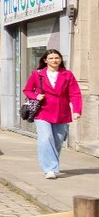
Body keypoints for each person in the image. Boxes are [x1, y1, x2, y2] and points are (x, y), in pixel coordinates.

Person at [23, 49, 83, 179]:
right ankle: (50, 169)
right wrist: (36, 95)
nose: (54, 60)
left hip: (62, 112)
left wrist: (77, 110)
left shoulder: (67, 75)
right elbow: (27, 90)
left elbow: (75, 93)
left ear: (60, 59)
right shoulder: (37, 74)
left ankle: (52, 165)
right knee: (46, 138)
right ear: (45, 60)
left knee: (57, 141)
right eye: (51, 58)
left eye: (57, 58)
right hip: (42, 111)